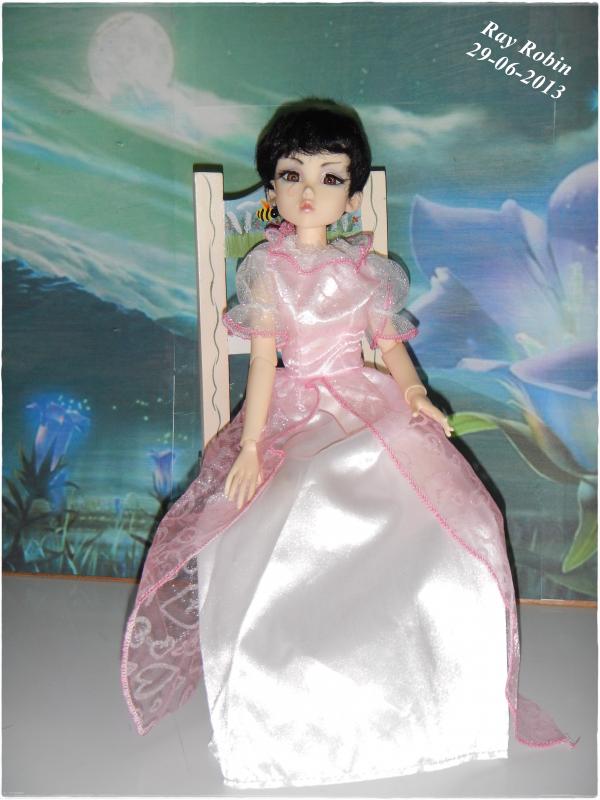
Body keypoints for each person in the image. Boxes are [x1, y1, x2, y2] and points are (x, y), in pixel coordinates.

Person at [121, 98, 572, 789]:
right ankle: (283, 702)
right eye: (292, 174)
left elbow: (387, 345)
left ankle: (433, 690)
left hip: (365, 402)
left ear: (353, 196)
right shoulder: (266, 271)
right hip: (292, 410)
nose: (309, 192)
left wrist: (414, 394)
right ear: (272, 188)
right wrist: (250, 447)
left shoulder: (365, 270)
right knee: (288, 510)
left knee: (446, 510)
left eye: (330, 178)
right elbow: (264, 364)